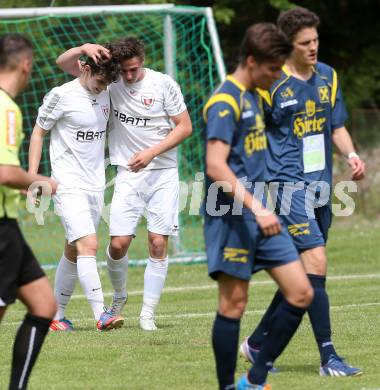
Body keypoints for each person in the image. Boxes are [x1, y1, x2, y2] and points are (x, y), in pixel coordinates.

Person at [240, 7, 365, 377]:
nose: (313, 48)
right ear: (287, 46)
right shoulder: (271, 84)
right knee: (317, 263)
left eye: (315, 41)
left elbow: (336, 125)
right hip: (284, 187)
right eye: (304, 43)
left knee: (302, 274)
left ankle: (258, 343)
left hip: (321, 187)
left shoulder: (328, 75)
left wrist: (352, 154)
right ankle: (329, 357)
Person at [203, 23, 314, 389]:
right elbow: (215, 165)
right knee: (233, 306)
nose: (276, 75)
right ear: (251, 61)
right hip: (233, 215)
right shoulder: (226, 100)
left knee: (300, 292)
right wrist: (258, 208)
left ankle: (254, 378)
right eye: (271, 68)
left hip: (262, 212)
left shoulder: (253, 94)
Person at [55, 37, 192, 331]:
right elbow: (65, 64)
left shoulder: (163, 84)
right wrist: (84, 48)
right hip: (128, 174)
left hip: (163, 172)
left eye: (134, 69)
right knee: (117, 246)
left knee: (157, 243)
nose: (129, 76)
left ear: (142, 60)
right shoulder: (109, 82)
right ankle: (119, 296)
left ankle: (148, 315)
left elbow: (185, 126)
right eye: (125, 71)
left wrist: (152, 153)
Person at [28, 48, 123, 331]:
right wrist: (32, 178)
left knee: (73, 249)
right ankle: (102, 314)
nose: (102, 88)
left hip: (95, 184)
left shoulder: (105, 91)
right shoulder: (62, 95)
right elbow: (38, 132)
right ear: (85, 69)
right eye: (99, 82)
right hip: (67, 184)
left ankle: (55, 316)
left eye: (106, 84)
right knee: (89, 245)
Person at [0, 33, 57, 390]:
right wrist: (39, 181)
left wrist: (20, 184)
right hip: (0, 230)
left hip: (9, 226)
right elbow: (4, 171)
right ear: (26, 65)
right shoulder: (7, 108)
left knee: (44, 304)